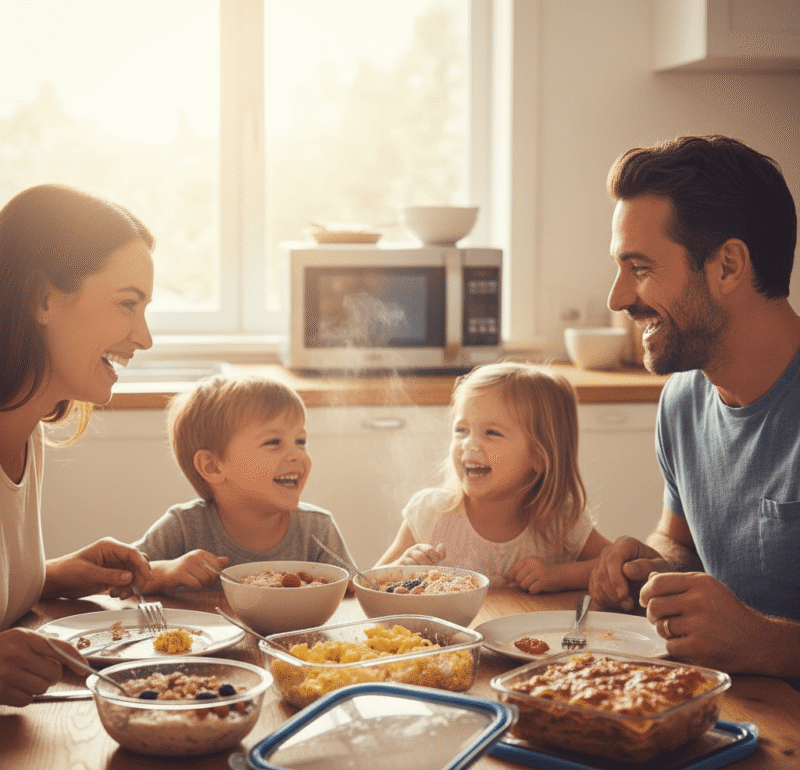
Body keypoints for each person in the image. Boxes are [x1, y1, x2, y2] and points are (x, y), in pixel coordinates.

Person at [589, 135, 800, 678]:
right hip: (733, 710)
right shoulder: (684, 400)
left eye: (639, 268)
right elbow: (682, 541)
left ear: (728, 266)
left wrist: (765, 643)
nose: (617, 298)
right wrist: (651, 564)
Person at [0, 184, 155, 707]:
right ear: (43, 298)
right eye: (127, 305)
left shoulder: (28, 432)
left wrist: (51, 575)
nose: (144, 337)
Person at [376, 362, 611, 591]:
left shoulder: (559, 522)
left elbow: (616, 564)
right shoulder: (430, 513)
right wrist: (402, 567)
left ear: (539, 456)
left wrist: (559, 575)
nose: (470, 444)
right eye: (462, 430)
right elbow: (367, 582)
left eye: (492, 433)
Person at [133, 374, 357, 591]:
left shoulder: (317, 528)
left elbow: (352, 594)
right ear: (212, 466)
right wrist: (166, 572)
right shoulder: (182, 527)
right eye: (274, 442)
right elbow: (117, 579)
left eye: (300, 441)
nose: (298, 455)